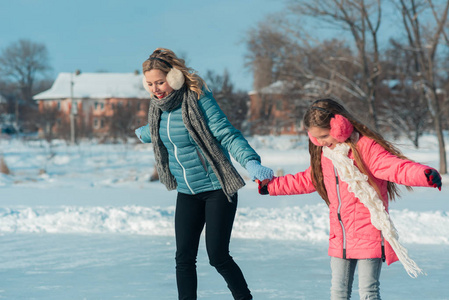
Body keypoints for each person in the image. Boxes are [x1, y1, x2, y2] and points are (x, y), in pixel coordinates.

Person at [257, 98, 442, 300]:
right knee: (338, 294)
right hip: (340, 236)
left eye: (325, 136)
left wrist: (423, 174)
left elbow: (393, 167)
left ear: (339, 125)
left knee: (368, 293)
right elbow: (308, 179)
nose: (322, 142)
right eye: (316, 138)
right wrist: (272, 186)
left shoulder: (365, 148)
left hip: (369, 231)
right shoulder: (326, 155)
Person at [135, 48, 273, 300]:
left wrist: (251, 163)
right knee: (184, 258)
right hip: (187, 192)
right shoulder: (157, 109)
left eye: (160, 82)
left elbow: (227, 134)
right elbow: (158, 130)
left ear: (174, 77)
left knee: (218, 256)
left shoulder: (198, 99)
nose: (156, 89)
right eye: (150, 84)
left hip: (217, 188)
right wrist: (143, 133)